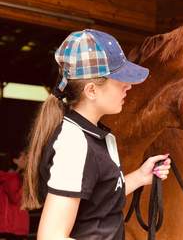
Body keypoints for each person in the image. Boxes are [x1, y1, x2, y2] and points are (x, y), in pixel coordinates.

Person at [22, 29, 171, 240]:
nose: (128, 86)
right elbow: (51, 236)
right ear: (91, 90)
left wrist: (139, 177)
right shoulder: (74, 143)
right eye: (120, 79)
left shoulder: (97, 135)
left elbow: (99, 201)